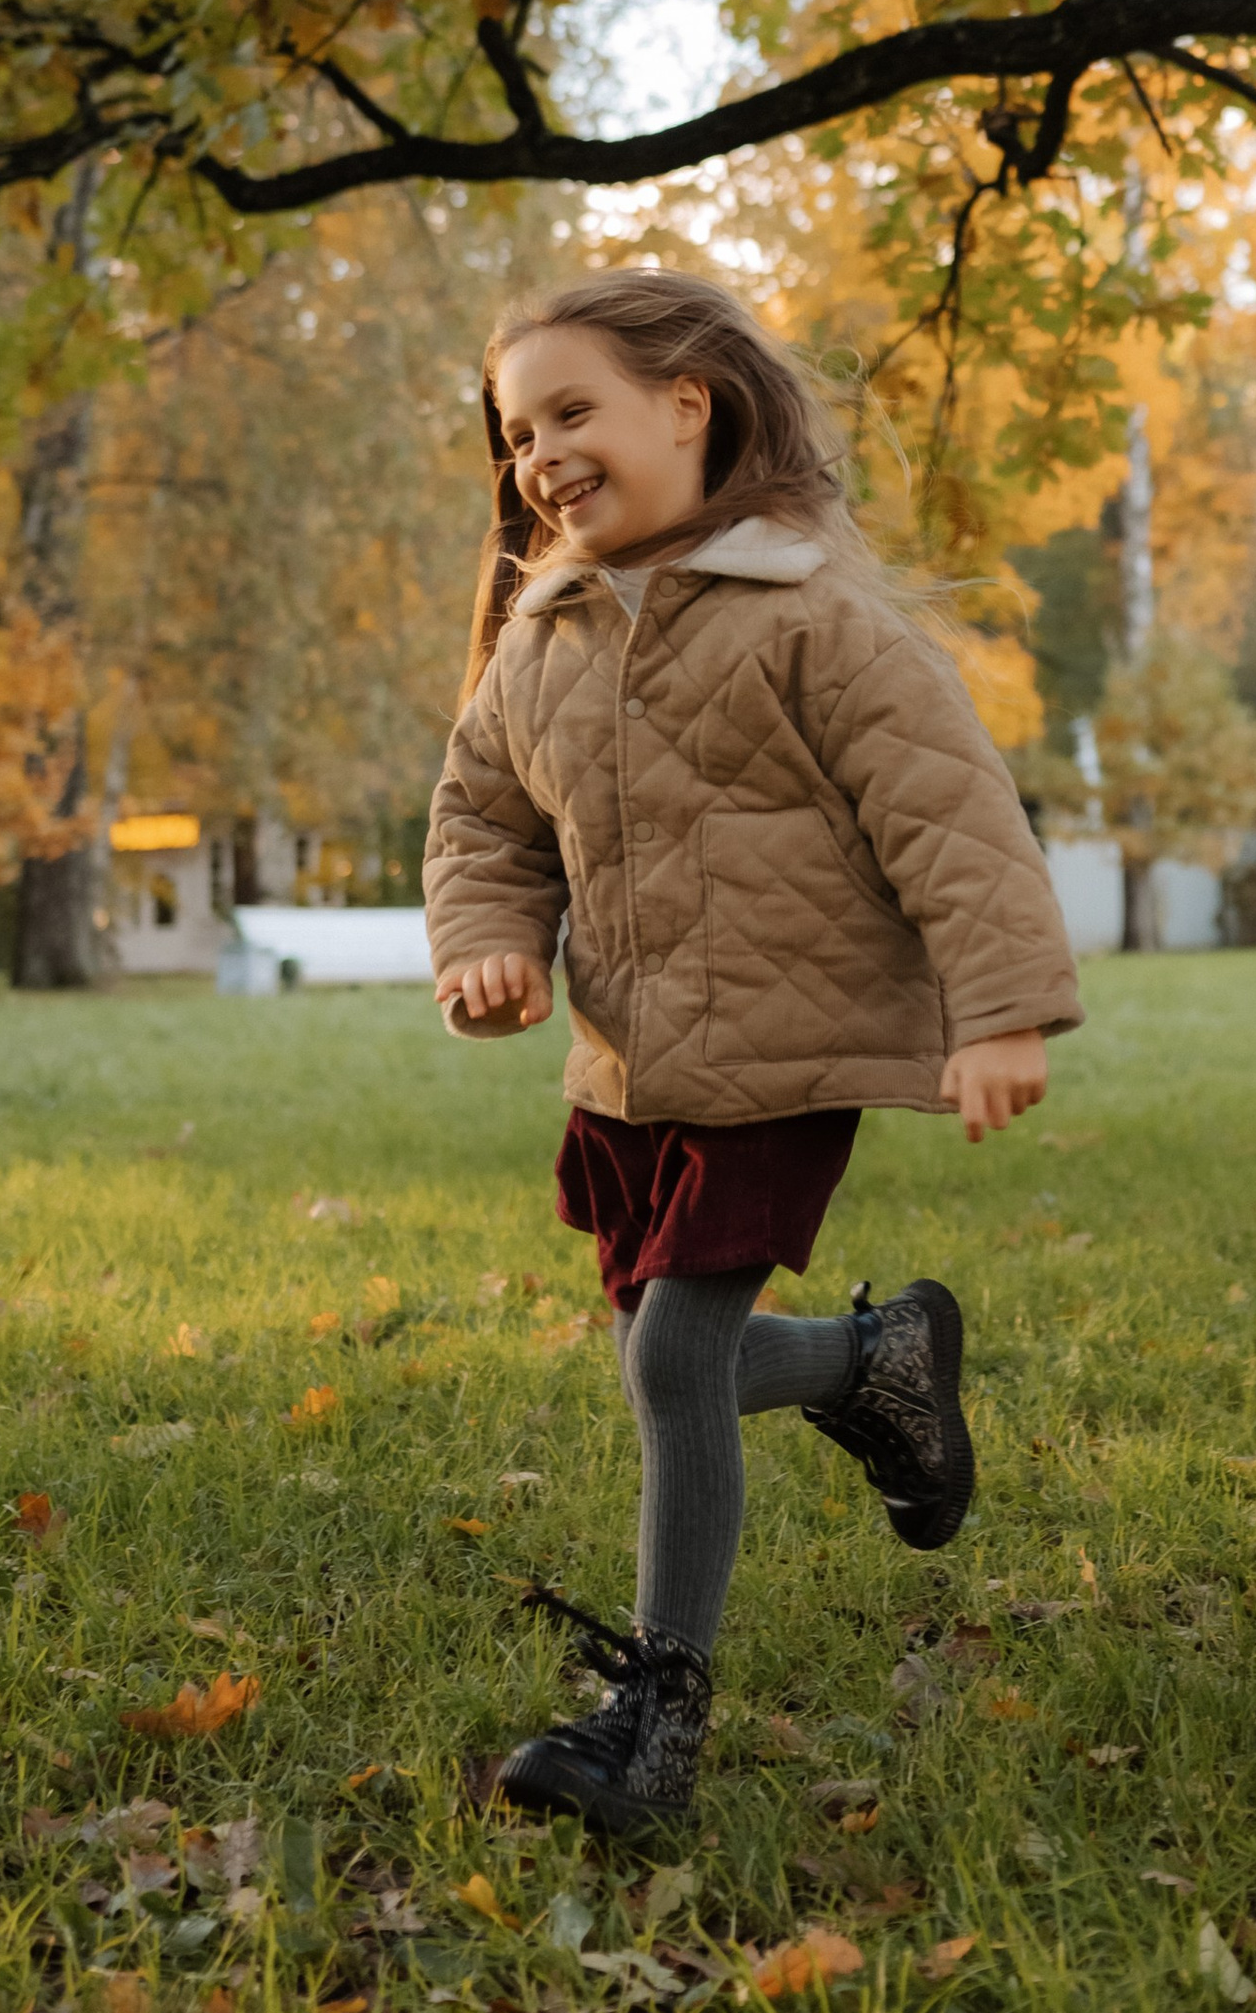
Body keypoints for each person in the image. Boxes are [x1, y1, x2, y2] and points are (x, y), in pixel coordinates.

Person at [424, 268, 1080, 1831]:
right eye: (520, 433)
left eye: (573, 412)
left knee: (673, 1356)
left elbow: (953, 816)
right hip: (633, 1062)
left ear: (687, 405)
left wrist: (996, 1010)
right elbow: (483, 816)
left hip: (786, 1048)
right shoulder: (545, 633)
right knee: (678, 1355)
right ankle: (879, 1362)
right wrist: (487, 942)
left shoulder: (813, 611)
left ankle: (656, 1714)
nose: (542, 457)